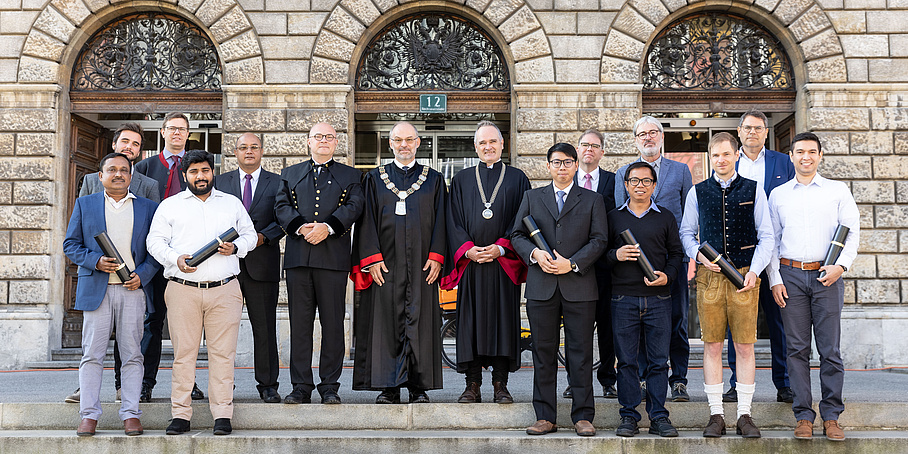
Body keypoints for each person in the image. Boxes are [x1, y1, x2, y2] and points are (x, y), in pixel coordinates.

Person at [146, 150, 257, 436]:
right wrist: (175, 258)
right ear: (185, 175)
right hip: (183, 289)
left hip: (225, 289)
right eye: (194, 171)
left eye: (205, 170)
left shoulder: (230, 203)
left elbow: (251, 236)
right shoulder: (170, 206)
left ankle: (222, 414)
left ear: (213, 172)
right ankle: (181, 415)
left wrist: (236, 248)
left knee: (223, 354)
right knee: (184, 354)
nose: (200, 176)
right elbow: (154, 242)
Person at [511, 143, 607, 437]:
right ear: (548, 166)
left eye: (567, 162)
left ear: (576, 165)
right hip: (542, 288)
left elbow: (600, 239)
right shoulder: (532, 197)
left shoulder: (593, 199)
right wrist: (534, 255)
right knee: (543, 353)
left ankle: (582, 416)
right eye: (556, 162)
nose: (562, 167)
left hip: (579, 286)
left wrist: (573, 264)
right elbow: (515, 235)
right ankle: (545, 416)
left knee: (580, 354)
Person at [679, 132, 773, 438]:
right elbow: (686, 232)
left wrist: (756, 271)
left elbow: (767, 235)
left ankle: (744, 414)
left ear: (736, 156)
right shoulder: (698, 191)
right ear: (710, 156)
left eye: (726, 154)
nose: (721, 159)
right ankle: (716, 414)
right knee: (712, 345)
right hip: (710, 279)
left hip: (745, 276)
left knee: (745, 346)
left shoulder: (754, 189)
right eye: (715, 154)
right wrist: (697, 256)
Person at [768, 132, 859, 442]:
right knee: (796, 349)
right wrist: (775, 279)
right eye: (799, 152)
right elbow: (772, 240)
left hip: (827, 275)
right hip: (790, 274)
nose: (805, 157)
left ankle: (832, 416)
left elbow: (852, 232)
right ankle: (804, 415)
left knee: (830, 350)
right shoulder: (779, 194)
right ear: (791, 156)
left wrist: (841, 266)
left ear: (820, 156)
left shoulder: (837, 191)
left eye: (811, 152)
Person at [63, 152, 160, 436]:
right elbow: (70, 244)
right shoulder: (85, 204)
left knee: (132, 354)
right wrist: (95, 261)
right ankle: (89, 415)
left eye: (124, 170)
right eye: (112, 170)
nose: (118, 174)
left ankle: (130, 413)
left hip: (132, 290)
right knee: (92, 355)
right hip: (97, 289)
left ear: (131, 176)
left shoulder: (148, 208)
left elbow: (156, 250)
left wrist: (143, 274)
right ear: (101, 176)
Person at [352, 121, 447, 404]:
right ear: (389, 143)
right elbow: (365, 220)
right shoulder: (373, 178)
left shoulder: (434, 179)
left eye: (409, 140)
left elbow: (443, 219)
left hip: (422, 265)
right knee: (386, 323)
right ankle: (388, 386)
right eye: (398, 140)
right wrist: (371, 258)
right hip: (385, 265)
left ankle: (419, 386)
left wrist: (437, 256)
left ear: (419, 143)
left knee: (421, 320)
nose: (404, 145)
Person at [275, 123, 364, 405]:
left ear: (336, 143)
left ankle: (329, 385)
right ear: (308, 141)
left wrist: (328, 226)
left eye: (329, 137)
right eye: (318, 136)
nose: (323, 141)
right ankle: (301, 385)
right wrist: (302, 227)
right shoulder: (290, 174)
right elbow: (280, 206)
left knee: (333, 324)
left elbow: (354, 205)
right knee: (300, 325)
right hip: (299, 258)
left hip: (333, 259)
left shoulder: (351, 175)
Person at [441, 120, 530, 404]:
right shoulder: (461, 180)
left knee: (504, 323)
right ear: (475, 147)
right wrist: (467, 250)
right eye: (482, 143)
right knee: (470, 324)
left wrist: (502, 248)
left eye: (493, 142)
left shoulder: (517, 178)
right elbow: (451, 220)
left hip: (503, 266)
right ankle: (472, 384)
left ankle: (501, 384)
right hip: (472, 267)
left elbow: (524, 219)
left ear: (502, 144)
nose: (488, 147)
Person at [615, 116, 693, 402]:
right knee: (641, 322)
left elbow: (689, 218)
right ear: (635, 139)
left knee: (677, 321)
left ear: (661, 137)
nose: (647, 137)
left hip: (672, 261)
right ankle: (646, 377)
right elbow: (617, 219)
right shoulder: (622, 173)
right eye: (642, 134)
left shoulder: (681, 171)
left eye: (653, 133)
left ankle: (679, 379)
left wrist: (689, 258)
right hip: (633, 266)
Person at [723, 109, 796, 404]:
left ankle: (785, 382)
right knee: (735, 321)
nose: (752, 132)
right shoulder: (731, 161)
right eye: (747, 128)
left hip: (776, 255)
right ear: (739, 132)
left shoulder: (782, 162)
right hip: (739, 256)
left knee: (779, 320)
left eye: (758, 128)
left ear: (766, 132)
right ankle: (735, 383)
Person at [607, 161, 683, 438]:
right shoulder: (613, 217)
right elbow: (600, 255)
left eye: (646, 181)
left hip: (659, 298)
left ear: (654, 185)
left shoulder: (665, 217)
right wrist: (616, 255)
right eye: (634, 181)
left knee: (659, 361)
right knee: (626, 361)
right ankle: (628, 416)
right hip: (622, 299)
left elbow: (676, 254)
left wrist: (669, 276)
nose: (640, 186)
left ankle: (659, 416)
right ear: (625, 185)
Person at [133, 112, 201, 403]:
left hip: (187, 257)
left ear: (188, 133)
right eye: (172, 128)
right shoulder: (144, 167)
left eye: (182, 129)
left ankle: (190, 382)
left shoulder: (197, 167)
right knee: (153, 319)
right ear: (162, 132)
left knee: (186, 323)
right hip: (153, 256)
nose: (177, 133)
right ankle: (146, 382)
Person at [214, 133, 286, 403]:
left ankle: (268, 385)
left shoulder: (278, 182)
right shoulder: (220, 183)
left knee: (265, 327)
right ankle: (223, 384)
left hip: (262, 264)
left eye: (254, 147)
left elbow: (284, 219)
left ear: (262, 151)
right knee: (222, 329)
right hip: (224, 264)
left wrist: (263, 237)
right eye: (243, 147)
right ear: (235, 152)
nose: (249, 151)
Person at [563, 128, 618, 400]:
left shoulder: (614, 181)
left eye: (595, 146)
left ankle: (608, 379)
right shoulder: (566, 180)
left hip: (606, 268)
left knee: (607, 328)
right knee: (577, 331)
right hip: (574, 268)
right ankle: (576, 382)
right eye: (584, 145)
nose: (589, 150)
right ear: (577, 150)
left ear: (602, 152)